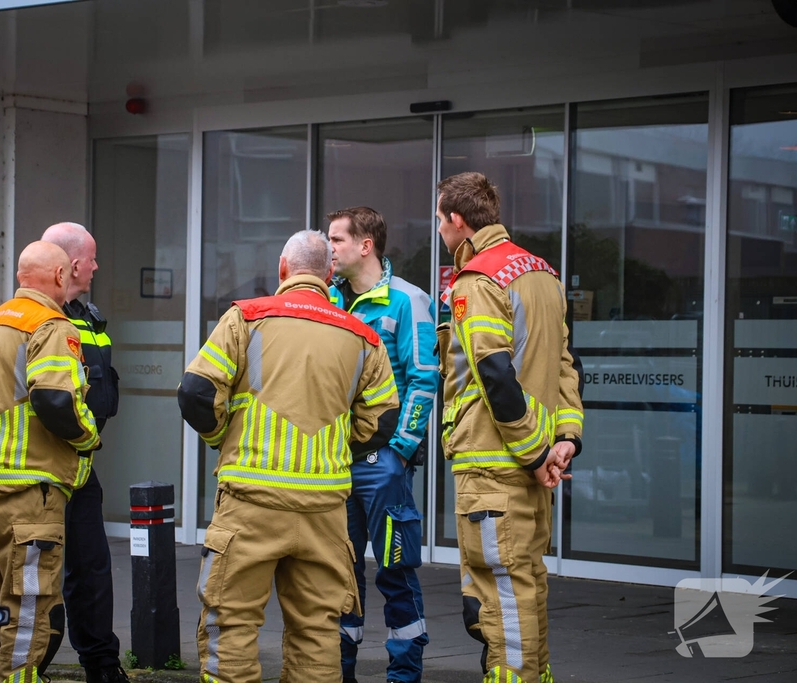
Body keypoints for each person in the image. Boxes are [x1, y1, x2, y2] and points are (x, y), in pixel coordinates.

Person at [177, 230, 401, 683]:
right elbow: (381, 422)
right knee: (317, 632)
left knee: (232, 623)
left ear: (283, 269)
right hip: (324, 510)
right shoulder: (362, 337)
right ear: (328, 275)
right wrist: (334, 452)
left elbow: (197, 393)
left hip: (250, 502)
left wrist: (225, 436)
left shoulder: (246, 318)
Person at [434, 172, 583, 683]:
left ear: (458, 220)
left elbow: (493, 370)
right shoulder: (543, 274)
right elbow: (566, 366)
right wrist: (564, 441)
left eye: (439, 220)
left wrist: (534, 453)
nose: (439, 230)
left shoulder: (478, 279)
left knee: (499, 590)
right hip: (531, 465)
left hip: (494, 464)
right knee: (528, 580)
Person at [0, 241, 101, 683]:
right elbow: (54, 399)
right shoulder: (51, 326)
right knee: (28, 602)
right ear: (62, 276)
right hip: (28, 491)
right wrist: (88, 437)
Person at [327, 207, 438, 683]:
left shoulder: (407, 301)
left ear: (365, 245)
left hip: (382, 466)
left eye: (336, 239)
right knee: (340, 576)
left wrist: (400, 449)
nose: (329, 248)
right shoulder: (328, 300)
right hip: (334, 463)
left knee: (395, 572)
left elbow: (424, 379)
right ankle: (340, 672)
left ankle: (404, 677)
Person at [41, 222, 124, 683]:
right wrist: (86, 437)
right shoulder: (42, 318)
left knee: (92, 571)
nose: (95, 266)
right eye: (91, 258)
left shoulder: (86, 316)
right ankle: (29, 665)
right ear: (73, 264)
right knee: (36, 578)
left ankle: (102, 667)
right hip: (45, 470)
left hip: (81, 467)